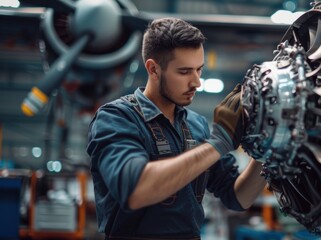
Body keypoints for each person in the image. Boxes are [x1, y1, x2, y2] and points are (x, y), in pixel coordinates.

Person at [86, 17, 267, 239]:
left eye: (199, 69)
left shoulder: (197, 125)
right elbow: (135, 190)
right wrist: (217, 144)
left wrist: (268, 149)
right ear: (153, 69)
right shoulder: (117, 118)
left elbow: (238, 197)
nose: (196, 82)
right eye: (184, 72)